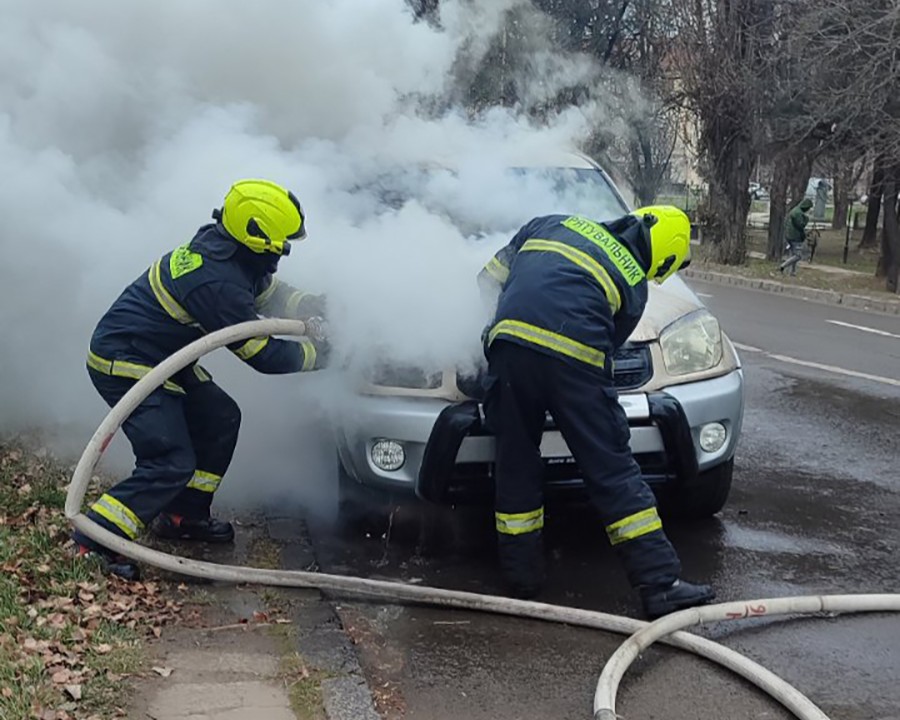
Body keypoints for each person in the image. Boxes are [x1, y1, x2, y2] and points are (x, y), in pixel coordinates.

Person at [73, 179, 330, 580]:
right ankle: (95, 540)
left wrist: (313, 304)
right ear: (256, 236)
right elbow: (263, 355)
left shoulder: (227, 249)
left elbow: (265, 290)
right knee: (171, 461)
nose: (282, 252)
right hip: (125, 360)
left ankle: (183, 516)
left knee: (220, 416)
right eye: (279, 244)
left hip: (160, 355)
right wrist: (324, 356)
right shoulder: (216, 282)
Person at [477, 206, 715, 619]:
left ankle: (522, 577)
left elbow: (487, 280)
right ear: (663, 257)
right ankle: (659, 585)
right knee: (612, 470)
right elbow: (607, 346)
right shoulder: (634, 284)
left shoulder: (550, 222)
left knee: (516, 459)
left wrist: (497, 330)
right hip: (575, 362)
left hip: (509, 349)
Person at [780, 198, 813, 276]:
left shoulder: (795, 210)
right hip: (795, 236)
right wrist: (807, 219)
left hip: (789, 235)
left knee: (793, 254)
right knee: (798, 256)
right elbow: (801, 225)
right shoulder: (798, 213)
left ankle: (792, 271)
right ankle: (783, 266)